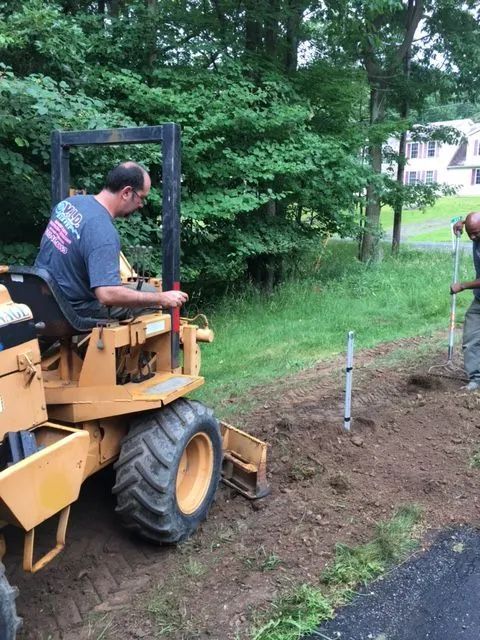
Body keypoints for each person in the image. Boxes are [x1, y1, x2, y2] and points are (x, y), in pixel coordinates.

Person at [35, 162, 188, 319]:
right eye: (141, 198)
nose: (141, 205)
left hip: (42, 297)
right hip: (74, 310)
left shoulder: (69, 203)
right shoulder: (102, 230)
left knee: (142, 290)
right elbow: (106, 294)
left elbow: (50, 247)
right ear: (127, 192)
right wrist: (161, 298)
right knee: (150, 297)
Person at [451, 211, 480, 390]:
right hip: (479, 300)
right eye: (471, 233)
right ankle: (476, 379)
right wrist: (462, 222)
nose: (474, 236)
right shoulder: (474, 231)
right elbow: (474, 218)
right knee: (471, 336)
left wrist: (462, 286)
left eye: (477, 232)